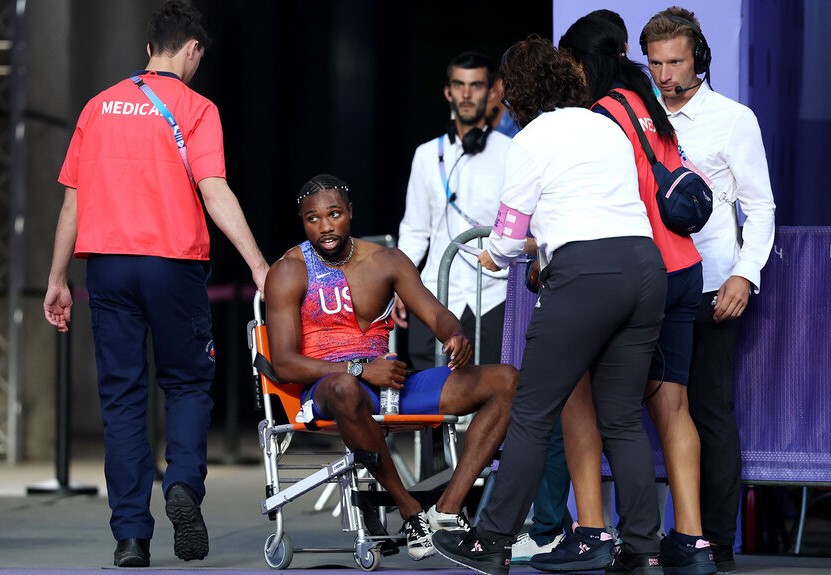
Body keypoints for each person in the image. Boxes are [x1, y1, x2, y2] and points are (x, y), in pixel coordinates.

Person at [43, 1, 270, 568]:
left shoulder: (97, 107)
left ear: (149, 50)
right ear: (192, 49)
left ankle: (130, 539)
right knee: (188, 384)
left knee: (122, 399)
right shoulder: (197, 107)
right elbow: (213, 189)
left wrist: (57, 280)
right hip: (171, 265)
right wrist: (259, 265)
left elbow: (72, 201)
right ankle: (183, 489)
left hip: (108, 269)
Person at [432, 37, 668, 575]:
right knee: (623, 420)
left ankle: (490, 541)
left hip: (586, 276)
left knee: (533, 411)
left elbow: (511, 236)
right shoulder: (603, 125)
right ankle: (642, 549)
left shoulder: (531, 138)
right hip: (643, 267)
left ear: (514, 93)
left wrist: (490, 257)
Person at [527, 14, 714, 575]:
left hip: (635, 271)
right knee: (673, 407)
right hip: (685, 267)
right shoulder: (646, 99)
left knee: (579, 396)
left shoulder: (599, 116)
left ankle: (592, 533)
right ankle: (692, 542)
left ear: (580, 65)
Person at [264, 174, 518, 561]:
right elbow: (283, 363)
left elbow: (434, 312)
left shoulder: (387, 260)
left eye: (334, 214)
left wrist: (454, 334)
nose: (325, 227)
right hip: (329, 389)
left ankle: (447, 510)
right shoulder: (288, 269)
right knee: (344, 388)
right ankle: (410, 510)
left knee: (505, 380)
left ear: (350, 213)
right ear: (302, 221)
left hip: (391, 386)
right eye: (312, 219)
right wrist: (359, 370)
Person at [641, 8, 776, 573]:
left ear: (699, 58)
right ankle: (645, 539)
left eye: (676, 61)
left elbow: (760, 205)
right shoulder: (637, 118)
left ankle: (715, 543)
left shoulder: (733, 118)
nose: (666, 73)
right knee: (636, 411)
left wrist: (746, 273)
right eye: (656, 63)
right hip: (649, 283)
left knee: (710, 411)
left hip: (715, 283)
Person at [396, 52, 512, 369]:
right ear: (448, 91)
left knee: (493, 396)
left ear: (491, 93)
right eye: (459, 85)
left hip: (493, 297)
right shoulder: (425, 155)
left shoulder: (512, 153)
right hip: (435, 294)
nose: (465, 94)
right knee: (430, 401)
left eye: (475, 86)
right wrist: (399, 286)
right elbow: (415, 231)